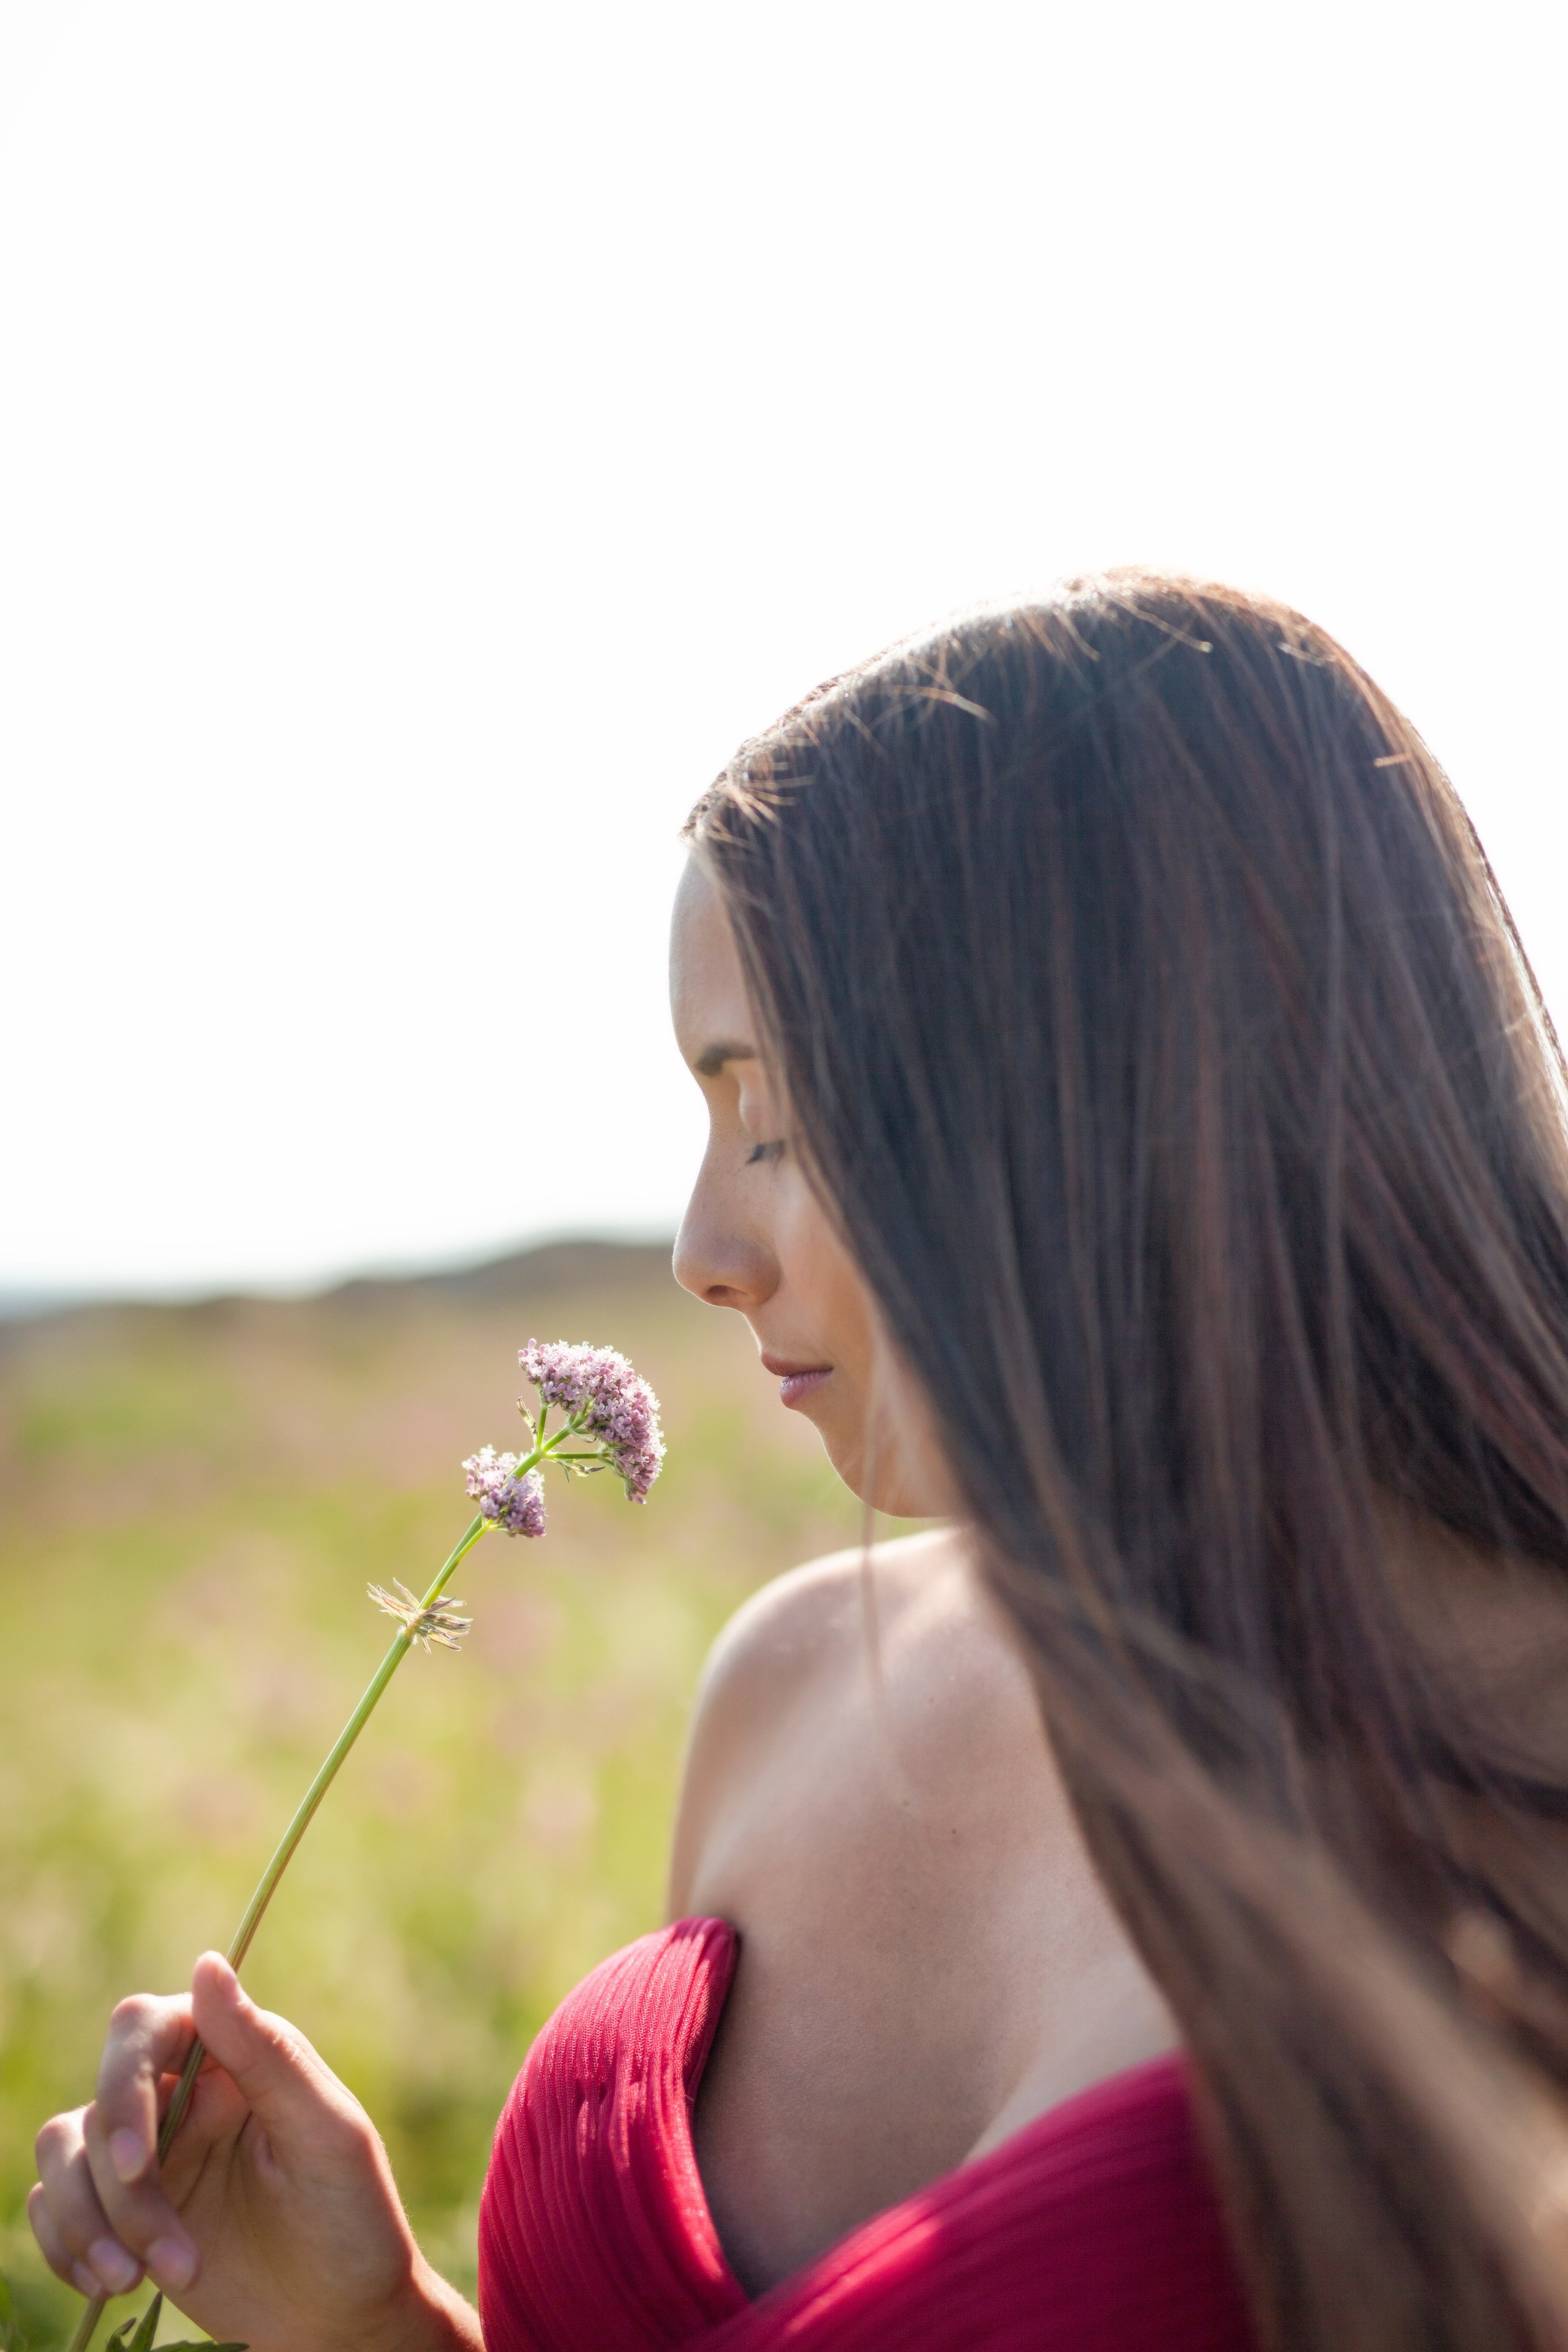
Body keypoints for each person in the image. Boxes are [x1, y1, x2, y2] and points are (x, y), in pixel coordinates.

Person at [30, 572, 1568, 2352]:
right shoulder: (797, 1675)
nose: (701, 1248)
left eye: (773, 1115)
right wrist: (359, 2323)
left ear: (1093, 1091)